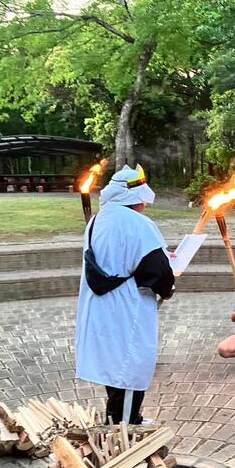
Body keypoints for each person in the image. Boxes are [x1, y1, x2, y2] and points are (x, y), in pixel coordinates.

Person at [75, 164, 175, 425]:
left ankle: (119, 417)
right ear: (134, 199)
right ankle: (125, 425)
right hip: (126, 305)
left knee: (114, 362)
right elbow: (157, 271)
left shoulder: (97, 220)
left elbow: (121, 256)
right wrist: (168, 286)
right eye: (143, 200)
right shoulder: (139, 224)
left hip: (100, 304)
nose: (145, 205)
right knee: (130, 364)